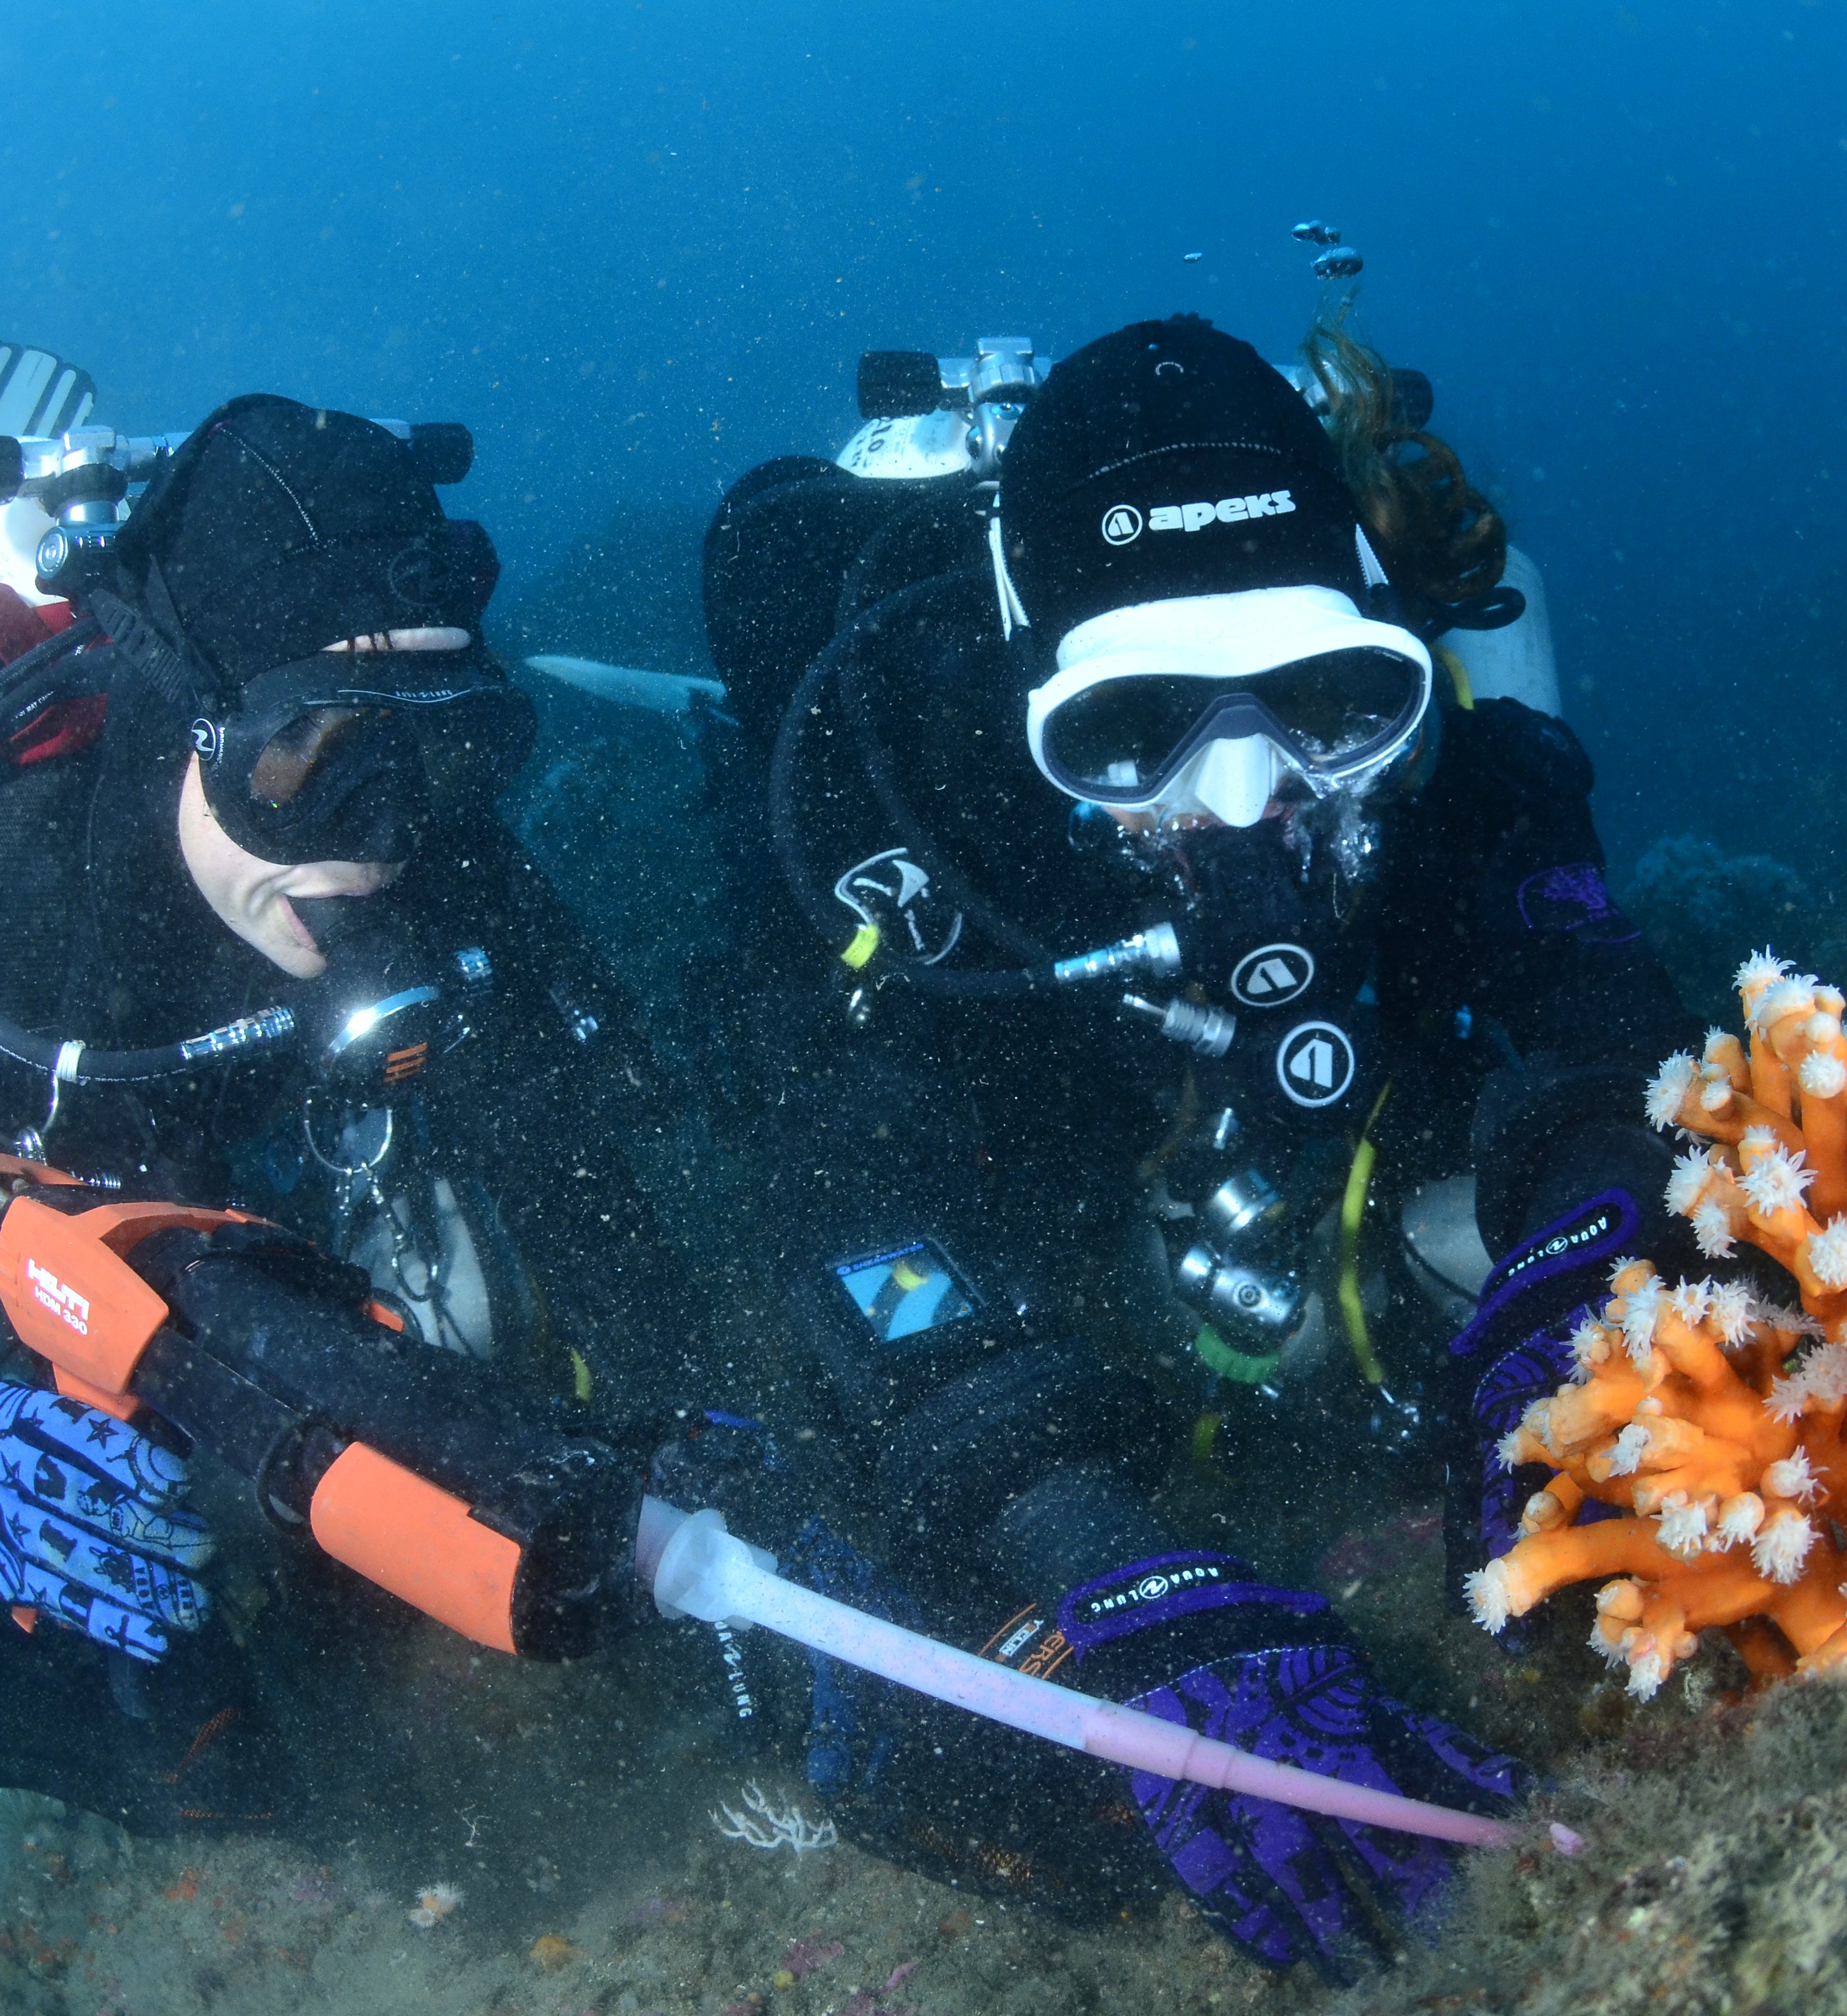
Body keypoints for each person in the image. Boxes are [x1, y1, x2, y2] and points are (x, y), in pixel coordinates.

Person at [689, 314, 1702, 1977]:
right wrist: (1096, 1546)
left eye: (1323, 705)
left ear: (1396, 661)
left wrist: (1583, 1256)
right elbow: (840, 1191)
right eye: (1133, 729)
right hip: (1030, 1163)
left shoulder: (1467, 779)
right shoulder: (920, 809)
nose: (1240, 797)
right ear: (1033, 704)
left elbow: (1607, 1021)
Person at [0, 394, 705, 1830]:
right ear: (183, 714)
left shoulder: (431, 850)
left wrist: (688, 1430)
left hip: (267, 1138)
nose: (380, 838)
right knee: (166, 1722)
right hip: (77, 1149)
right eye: (313, 759)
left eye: (448, 749)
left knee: (478, 1329)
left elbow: (567, 1158)